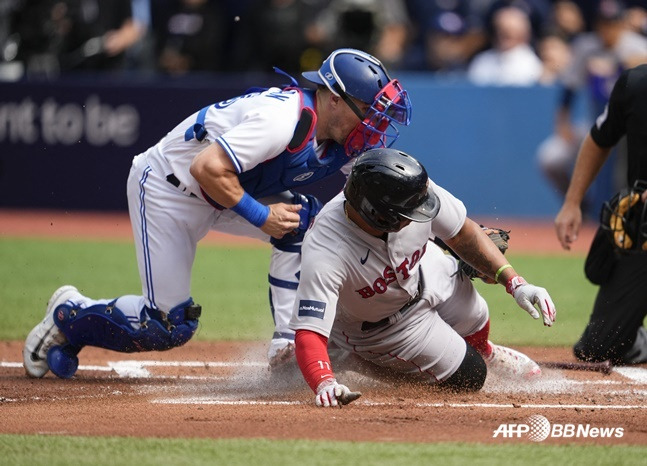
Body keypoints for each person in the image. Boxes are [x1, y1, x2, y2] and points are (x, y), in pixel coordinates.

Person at [22, 48, 412, 379]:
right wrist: (262, 217)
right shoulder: (282, 120)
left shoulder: (346, 141)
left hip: (226, 193)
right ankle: (69, 314)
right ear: (332, 98)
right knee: (166, 326)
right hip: (169, 189)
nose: (374, 124)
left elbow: (374, 202)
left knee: (310, 225)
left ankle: (287, 343)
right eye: (367, 110)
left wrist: (440, 237)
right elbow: (206, 168)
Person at [289, 148, 556, 407]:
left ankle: (488, 351)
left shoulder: (410, 189)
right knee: (471, 376)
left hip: (423, 269)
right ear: (377, 214)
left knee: (475, 315)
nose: (418, 215)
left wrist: (515, 282)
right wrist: (324, 383)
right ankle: (353, 358)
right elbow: (309, 333)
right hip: (379, 328)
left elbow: (463, 233)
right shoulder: (325, 249)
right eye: (408, 214)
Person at [555, 64, 647, 365]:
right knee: (598, 349)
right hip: (643, 231)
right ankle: (636, 338)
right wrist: (572, 202)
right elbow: (599, 137)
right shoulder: (636, 83)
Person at [536, 0, 647, 217]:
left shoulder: (636, 45)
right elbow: (569, 87)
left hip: (630, 126)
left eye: (613, 23)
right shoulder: (586, 46)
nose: (608, 28)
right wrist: (563, 122)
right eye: (604, 23)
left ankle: (622, 215)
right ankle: (579, 206)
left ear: (622, 24)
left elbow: (640, 74)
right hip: (595, 122)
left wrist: (616, 66)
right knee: (550, 159)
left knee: (623, 170)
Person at [467, 6, 544, 86]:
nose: (503, 35)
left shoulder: (532, 65)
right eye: (500, 30)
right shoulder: (482, 61)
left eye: (509, 31)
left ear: (523, 34)